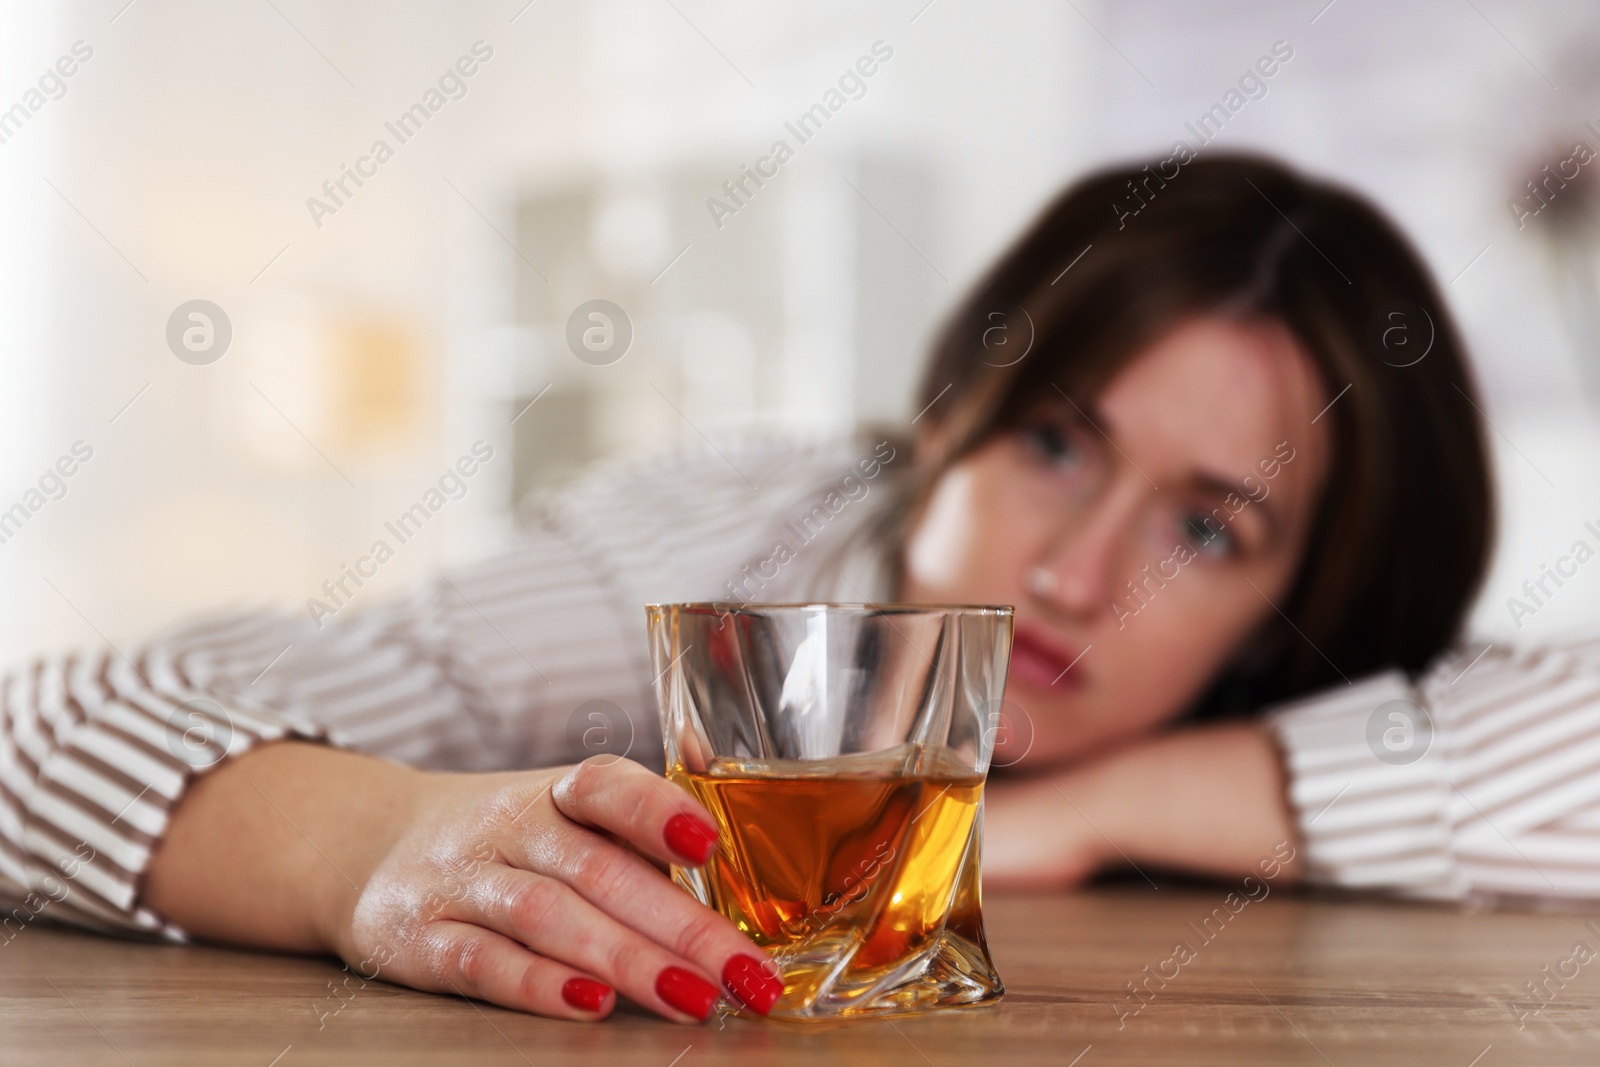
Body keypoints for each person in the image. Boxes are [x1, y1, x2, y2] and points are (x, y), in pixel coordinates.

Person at [4, 154, 1591, 1026]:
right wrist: (369, 848)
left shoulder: (1336, 704)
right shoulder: (710, 551)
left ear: (1306, 602)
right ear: (945, 422)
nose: (1072, 571)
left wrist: (1094, 815)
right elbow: (43, 724)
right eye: (1052, 442)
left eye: (1211, 530)